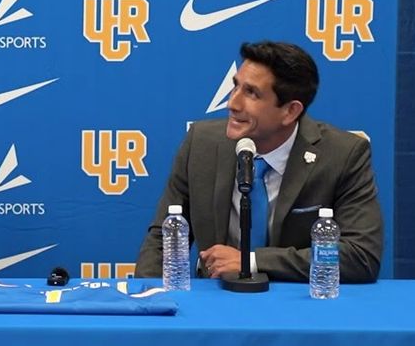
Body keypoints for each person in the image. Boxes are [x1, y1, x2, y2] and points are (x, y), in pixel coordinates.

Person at [136, 41, 383, 282]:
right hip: (216, 297)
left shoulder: (343, 154)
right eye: (236, 86)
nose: (233, 103)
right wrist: (148, 301)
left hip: (299, 303)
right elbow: (162, 237)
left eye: (251, 93)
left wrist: (251, 261)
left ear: (290, 112)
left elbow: (361, 256)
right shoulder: (201, 144)